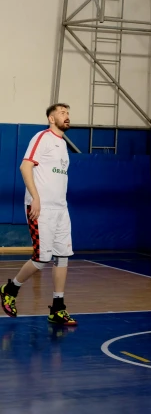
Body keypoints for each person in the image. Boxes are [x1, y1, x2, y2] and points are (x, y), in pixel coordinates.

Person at [0, 104, 77, 325]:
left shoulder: (63, 145)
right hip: (41, 208)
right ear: (51, 118)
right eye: (62, 113)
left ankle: (58, 308)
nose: (67, 116)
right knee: (42, 258)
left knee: (62, 257)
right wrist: (36, 198)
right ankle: (10, 289)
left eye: (68, 113)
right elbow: (25, 167)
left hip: (61, 209)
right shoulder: (42, 137)